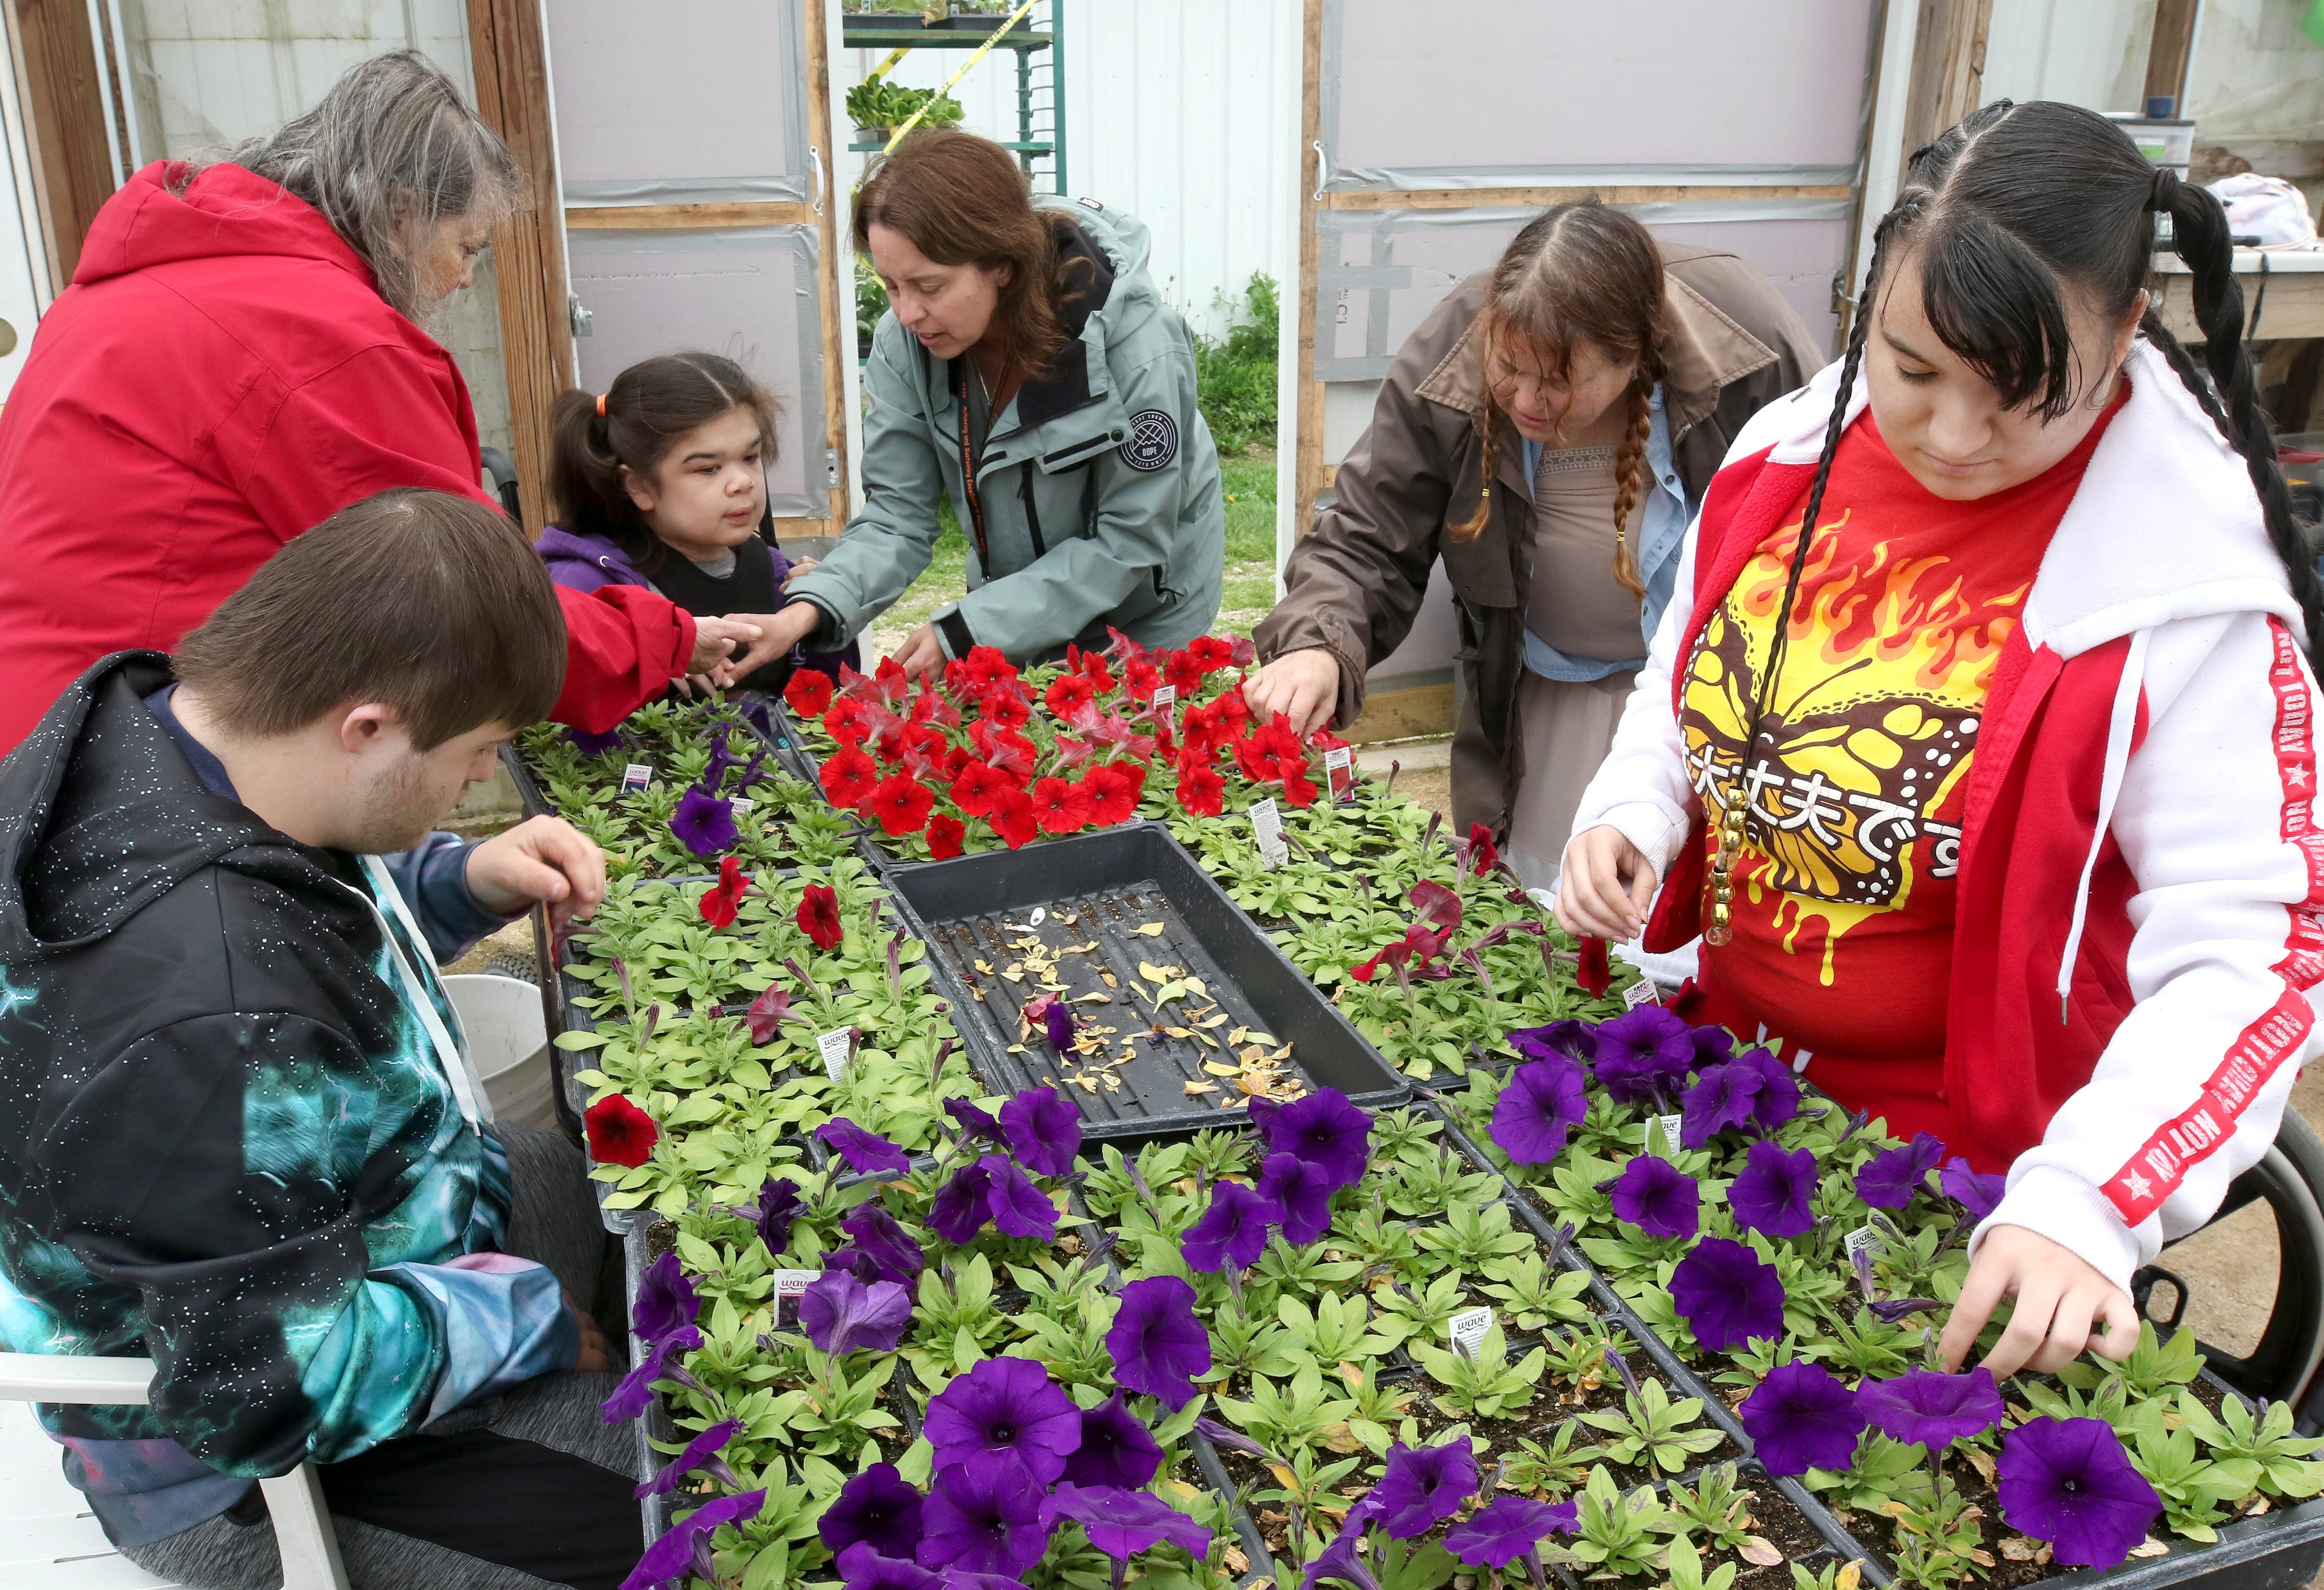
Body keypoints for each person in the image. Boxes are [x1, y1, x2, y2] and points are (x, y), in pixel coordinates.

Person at [1554, 101, 2323, 1383]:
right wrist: (1638, 804)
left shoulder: (2190, 585)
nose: (1953, 437)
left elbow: (2258, 947)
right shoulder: (1782, 456)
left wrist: (2087, 1197)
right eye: (1911, 370)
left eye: (2025, 394)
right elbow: (1687, 684)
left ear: (2126, 331)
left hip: (1974, 1182)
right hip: (1729, 1086)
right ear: (1872, 299)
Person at [0, 490, 641, 1590]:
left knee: (609, 1195)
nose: (483, 778)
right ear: (367, 726)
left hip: (308, 1236)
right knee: (679, 1526)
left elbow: (319, 915)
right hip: (235, 1460)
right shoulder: (208, 1009)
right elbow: (269, 1387)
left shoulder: (178, 728)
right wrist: (516, 1314)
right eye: (480, 750)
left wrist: (457, 881)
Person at [0, 49, 764, 755]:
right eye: (466, 247)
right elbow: (463, 600)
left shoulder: (146, 280)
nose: (464, 280)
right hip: (129, 753)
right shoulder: (321, 336)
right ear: (400, 216)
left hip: (55, 718)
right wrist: (666, 640)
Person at [1248, 200, 1821, 889]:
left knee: (1690, 917)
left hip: (1709, 715)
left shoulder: (1746, 348)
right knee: (1549, 920)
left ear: (1635, 357)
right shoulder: (1451, 355)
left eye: (1557, 381)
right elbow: (1369, 532)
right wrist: (1319, 642)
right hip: (1542, 708)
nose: (1525, 399)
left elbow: (1829, 527)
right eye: (1509, 366)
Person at [753, 128, 1225, 674]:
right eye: (889, 285)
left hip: (1145, 610)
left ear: (1002, 264)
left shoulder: (1138, 350)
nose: (906, 314)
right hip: (1016, 599)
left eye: (929, 287)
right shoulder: (903, 344)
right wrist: (810, 608)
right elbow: (895, 519)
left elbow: (1130, 540)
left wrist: (969, 628)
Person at [536, 351, 856, 694]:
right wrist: (652, 654)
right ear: (639, 486)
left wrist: (817, 612)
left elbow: (829, 694)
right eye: (709, 468)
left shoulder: (774, 571)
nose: (743, 482)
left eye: (750, 458)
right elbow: (553, 700)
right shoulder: (585, 587)